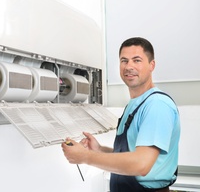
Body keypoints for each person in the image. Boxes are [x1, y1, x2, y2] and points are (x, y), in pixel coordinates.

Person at [62, 37, 180, 192]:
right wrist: (99, 150)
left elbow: (141, 164)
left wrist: (84, 157)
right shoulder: (135, 104)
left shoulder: (157, 105)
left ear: (152, 65)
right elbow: (131, 155)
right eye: (124, 61)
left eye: (136, 60)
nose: (129, 66)